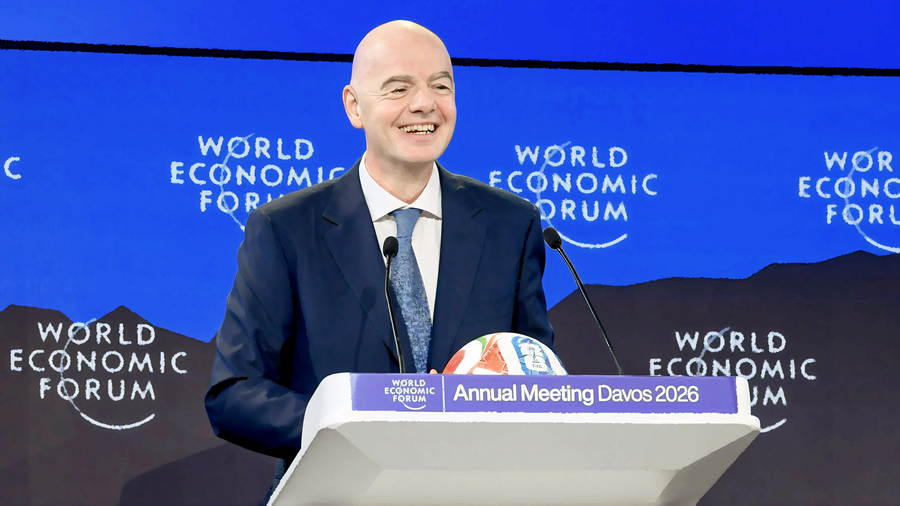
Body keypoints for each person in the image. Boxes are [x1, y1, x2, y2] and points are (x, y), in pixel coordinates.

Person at [205, 20, 553, 504]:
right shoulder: (286, 229)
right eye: (399, 88)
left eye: (441, 86)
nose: (425, 104)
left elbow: (537, 381)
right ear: (354, 106)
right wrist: (357, 427)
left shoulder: (511, 225)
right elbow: (234, 393)